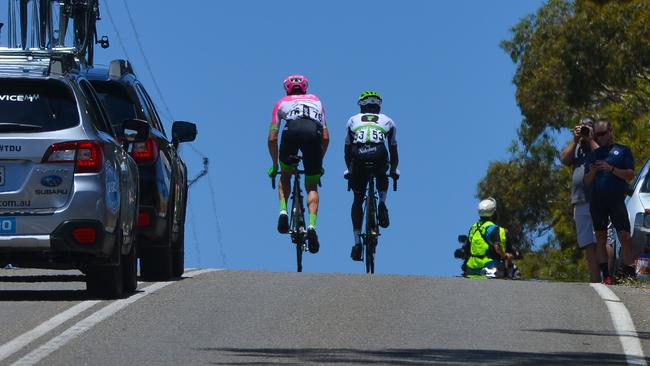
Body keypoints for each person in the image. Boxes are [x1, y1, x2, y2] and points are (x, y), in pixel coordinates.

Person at [267, 74, 329, 253]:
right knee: (311, 185)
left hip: (291, 132)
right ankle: (311, 226)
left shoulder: (281, 103)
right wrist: (319, 162)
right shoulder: (317, 101)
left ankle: (283, 212)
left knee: (286, 176)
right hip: (312, 134)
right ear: (305, 88)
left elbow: (272, 138)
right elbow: (325, 137)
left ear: (287, 88)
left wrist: (275, 165)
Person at [344, 91, 399, 261]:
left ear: (362, 106)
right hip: (379, 153)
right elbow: (393, 149)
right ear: (378, 107)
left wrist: (349, 169)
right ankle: (382, 203)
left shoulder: (353, 119)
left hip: (359, 155)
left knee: (357, 200)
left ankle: (356, 242)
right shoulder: (388, 120)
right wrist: (394, 170)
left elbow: (347, 149)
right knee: (383, 171)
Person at [584, 120, 636, 283]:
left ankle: (629, 273)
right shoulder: (593, 155)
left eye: (603, 133)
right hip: (597, 201)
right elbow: (586, 181)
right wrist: (592, 171)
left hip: (616, 200)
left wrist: (611, 168)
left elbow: (630, 174)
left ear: (610, 131)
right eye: (597, 135)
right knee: (601, 237)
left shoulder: (623, 151)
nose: (600, 137)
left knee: (624, 236)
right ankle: (606, 275)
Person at [559, 117, 603, 283]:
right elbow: (564, 159)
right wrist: (575, 140)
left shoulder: (598, 144)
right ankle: (595, 282)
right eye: (582, 127)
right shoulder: (576, 147)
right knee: (588, 244)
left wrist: (591, 139)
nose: (585, 130)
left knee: (601, 239)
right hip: (580, 201)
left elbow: (604, 157)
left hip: (598, 199)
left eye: (588, 127)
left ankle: (607, 277)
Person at [465, 198, 513, 278]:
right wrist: (505, 256)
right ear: (493, 214)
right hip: (489, 266)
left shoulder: (473, 227)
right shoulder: (493, 228)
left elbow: (468, 248)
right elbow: (497, 247)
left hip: (471, 267)